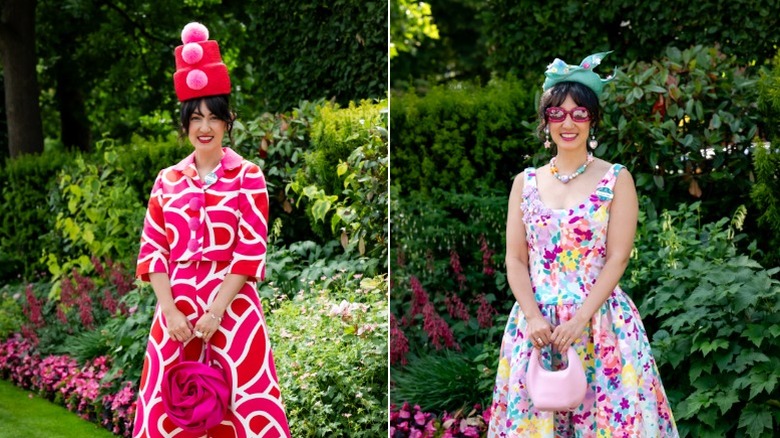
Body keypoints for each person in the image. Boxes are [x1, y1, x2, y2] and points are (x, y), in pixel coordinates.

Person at [487, 52, 678, 437]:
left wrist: (578, 321)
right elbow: (515, 260)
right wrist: (535, 317)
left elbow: (618, 258)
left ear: (593, 121)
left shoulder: (616, 179)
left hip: (602, 326)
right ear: (546, 122)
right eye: (557, 114)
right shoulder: (524, 183)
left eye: (579, 114)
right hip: (537, 329)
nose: (568, 123)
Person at [132, 22, 291, 437]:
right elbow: (154, 251)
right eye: (196, 117)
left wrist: (216, 311)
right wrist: (169, 312)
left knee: (244, 410)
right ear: (184, 123)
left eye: (214, 117)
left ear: (227, 121)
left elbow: (250, 250)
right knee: (171, 412)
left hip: (234, 311)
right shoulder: (166, 179)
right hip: (177, 314)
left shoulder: (248, 175)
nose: (205, 126)